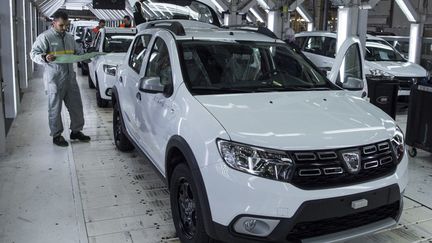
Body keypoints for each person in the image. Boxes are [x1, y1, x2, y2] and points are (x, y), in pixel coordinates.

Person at [30, 11, 91, 147]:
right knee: (55, 109)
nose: (64, 28)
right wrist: (44, 57)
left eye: (66, 25)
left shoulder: (70, 38)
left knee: (77, 107)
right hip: (55, 80)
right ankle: (57, 135)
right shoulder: (45, 37)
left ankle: (76, 131)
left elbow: (78, 52)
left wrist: (86, 57)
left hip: (70, 79)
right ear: (54, 23)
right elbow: (33, 54)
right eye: (61, 25)